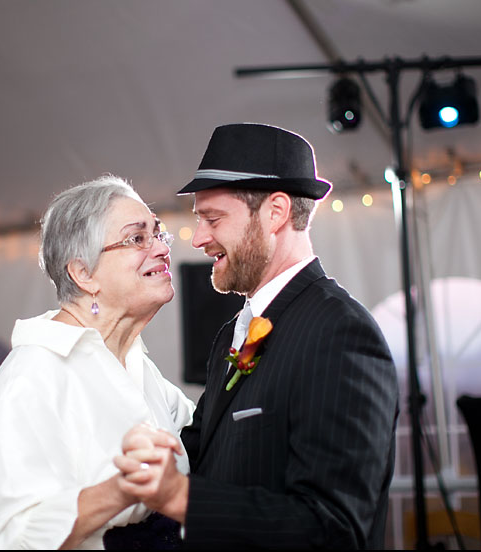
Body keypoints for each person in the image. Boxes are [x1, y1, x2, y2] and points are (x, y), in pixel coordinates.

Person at [115, 123, 400, 549]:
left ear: (276, 212)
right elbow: (203, 457)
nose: (199, 239)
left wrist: (181, 497)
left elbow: (335, 529)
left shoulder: (340, 333)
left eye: (212, 218)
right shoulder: (235, 332)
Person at [0, 175, 195, 549]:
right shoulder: (29, 379)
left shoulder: (136, 364)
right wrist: (120, 489)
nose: (160, 249)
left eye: (158, 234)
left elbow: (208, 445)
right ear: (84, 274)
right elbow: (3, 541)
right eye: (137, 238)